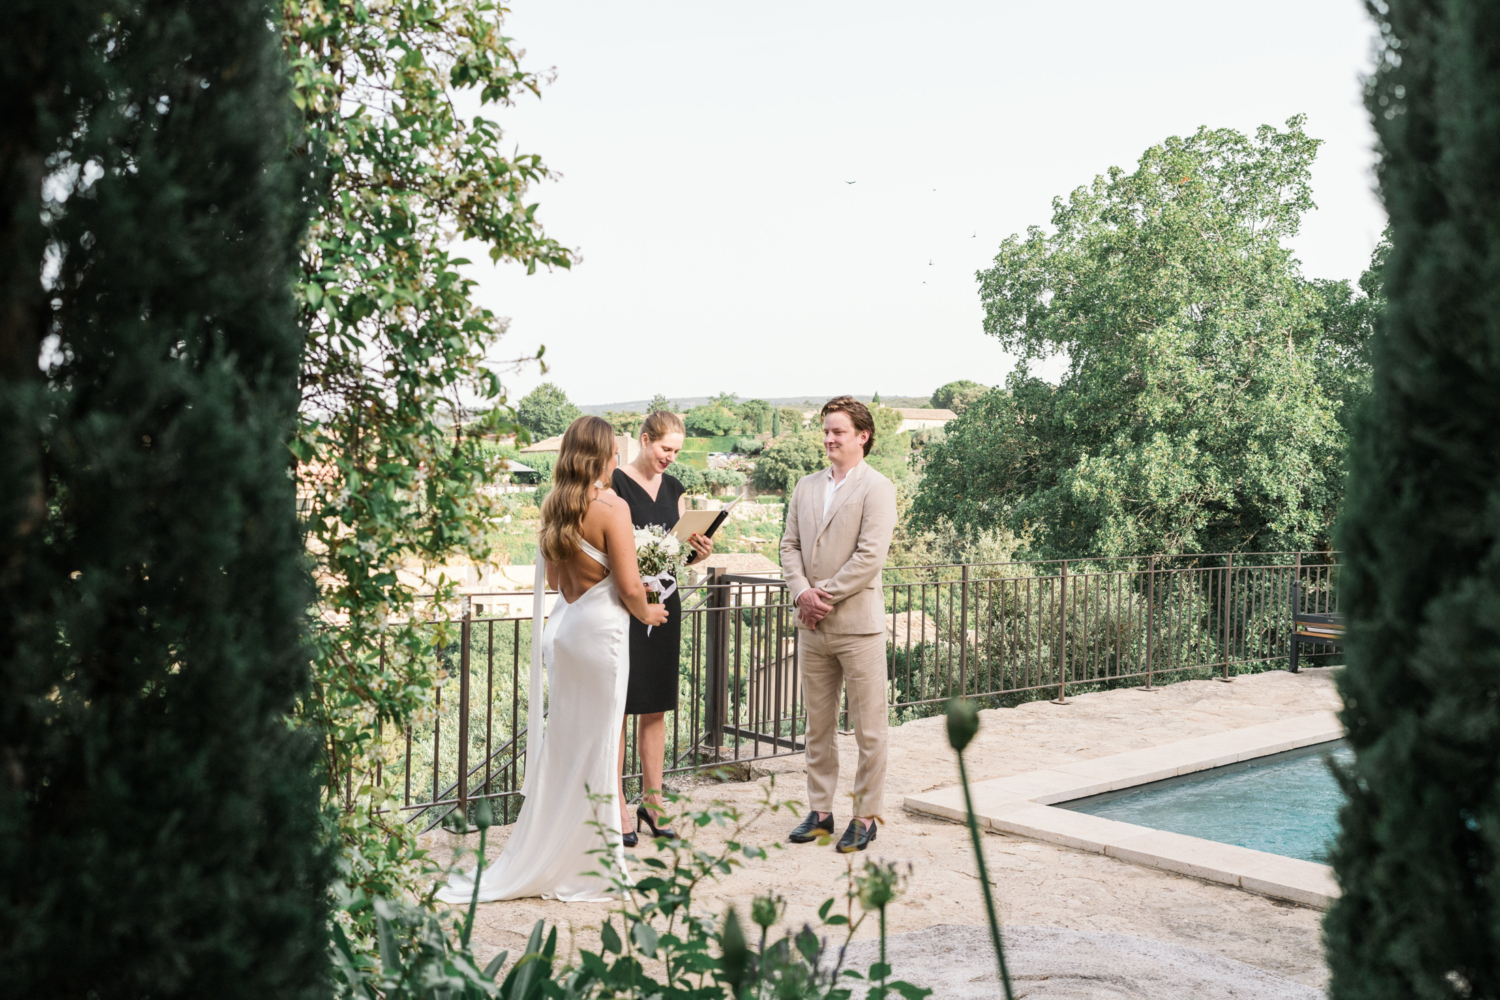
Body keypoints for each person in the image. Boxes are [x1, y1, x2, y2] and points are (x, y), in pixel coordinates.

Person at [436, 416, 669, 903]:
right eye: (613, 451)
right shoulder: (612, 506)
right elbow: (626, 586)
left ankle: (554, 846)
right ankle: (593, 863)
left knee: (569, 744)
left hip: (565, 631)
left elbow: (552, 584)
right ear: (604, 455)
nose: (615, 459)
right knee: (599, 745)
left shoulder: (554, 504)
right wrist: (649, 608)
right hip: (600, 636)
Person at [779, 396, 897, 853]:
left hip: (858, 627)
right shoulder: (805, 486)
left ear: (862, 436)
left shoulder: (878, 487)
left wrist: (819, 594)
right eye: (826, 431)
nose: (829, 439)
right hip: (811, 625)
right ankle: (821, 812)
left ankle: (865, 817)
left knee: (869, 729)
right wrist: (800, 594)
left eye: (838, 432)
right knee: (818, 725)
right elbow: (788, 545)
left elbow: (870, 557)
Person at [611, 411, 714, 845]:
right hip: (625, 605)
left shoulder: (675, 489)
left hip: (666, 603)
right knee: (618, 707)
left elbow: (677, 553)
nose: (670, 458)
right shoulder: (614, 484)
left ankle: (652, 802)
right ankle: (615, 803)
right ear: (644, 439)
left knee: (654, 706)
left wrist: (699, 553)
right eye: (665, 449)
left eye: (676, 451)